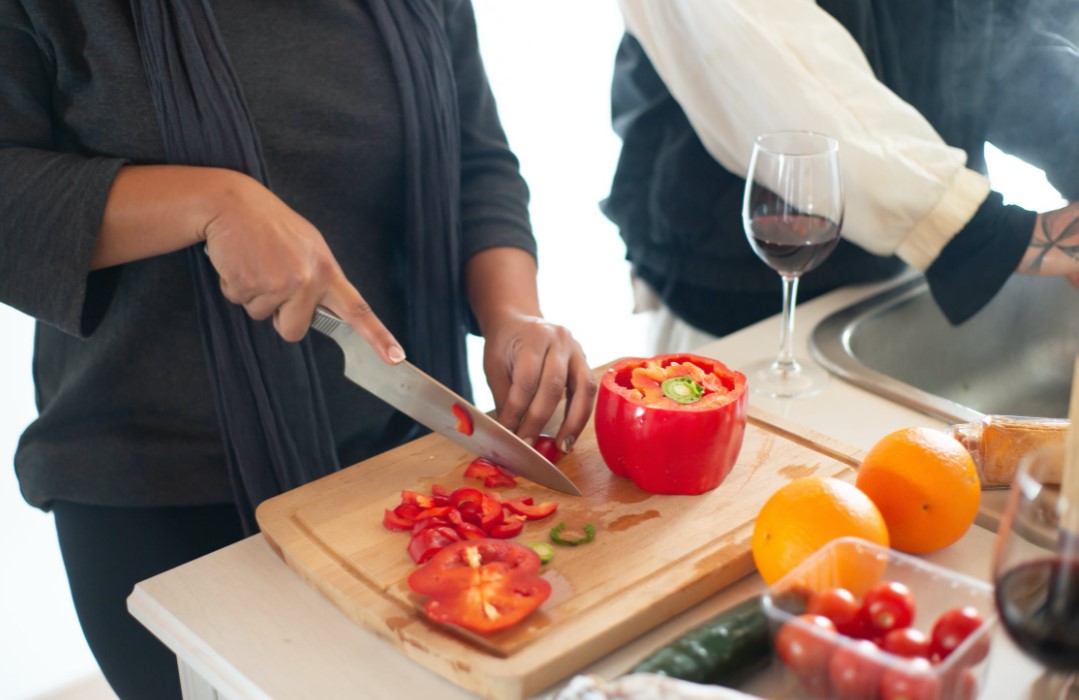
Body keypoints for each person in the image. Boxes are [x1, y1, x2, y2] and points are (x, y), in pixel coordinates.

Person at [0, 1, 596, 698]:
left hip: (403, 458)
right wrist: (210, 203)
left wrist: (512, 310)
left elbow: (476, 159)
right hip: (164, 492)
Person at [605, 0, 1079, 353]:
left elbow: (1009, 29)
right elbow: (771, 62)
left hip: (897, 277)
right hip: (735, 307)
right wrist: (992, 234)